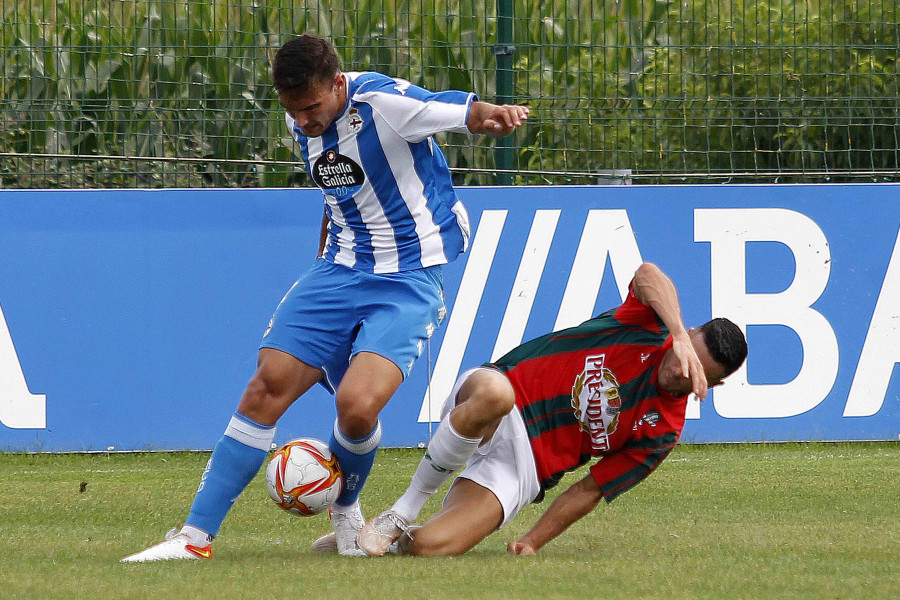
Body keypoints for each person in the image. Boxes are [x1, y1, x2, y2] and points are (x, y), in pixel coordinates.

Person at [121, 33, 529, 562]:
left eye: (312, 107)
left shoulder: (381, 104)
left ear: (337, 84)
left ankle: (346, 509)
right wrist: (321, 266)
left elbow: (450, 107)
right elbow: (337, 193)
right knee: (264, 387)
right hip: (338, 269)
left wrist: (492, 113)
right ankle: (194, 538)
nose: (304, 120)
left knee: (356, 408)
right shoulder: (301, 117)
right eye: (294, 109)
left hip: (408, 276)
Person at [350, 262, 747, 557]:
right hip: (504, 392)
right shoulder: (648, 324)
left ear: (713, 385)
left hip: (525, 468)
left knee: (430, 548)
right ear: (689, 334)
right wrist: (675, 333)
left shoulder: (664, 431)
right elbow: (648, 274)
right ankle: (403, 509)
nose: (680, 370)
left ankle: (367, 538)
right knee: (496, 396)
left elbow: (591, 488)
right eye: (687, 357)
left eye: (694, 376)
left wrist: (532, 541)